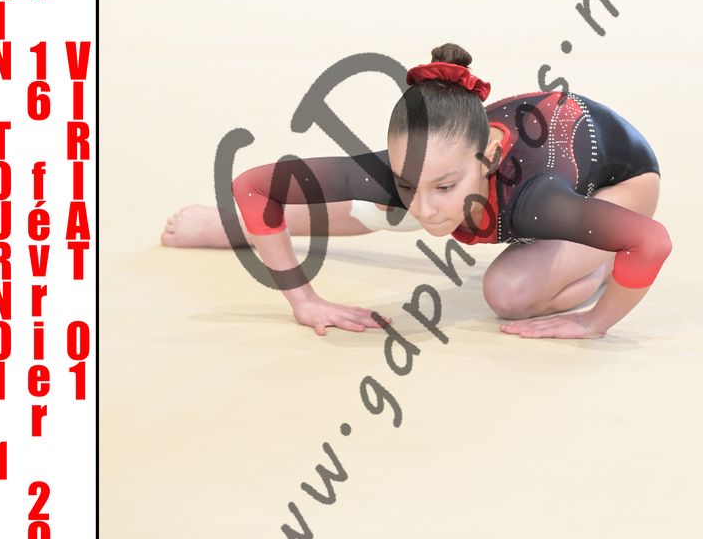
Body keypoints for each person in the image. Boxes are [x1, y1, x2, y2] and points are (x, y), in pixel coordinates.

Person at [161, 43, 671, 340]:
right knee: (390, 205)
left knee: (509, 293)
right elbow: (253, 187)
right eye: (406, 179)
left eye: (442, 186)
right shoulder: (426, 170)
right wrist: (304, 301)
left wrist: (596, 323)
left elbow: (651, 242)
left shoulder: (539, 201)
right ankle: (236, 229)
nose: (424, 211)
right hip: (470, 163)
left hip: (618, 181)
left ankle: (596, 263)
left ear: (491, 156)